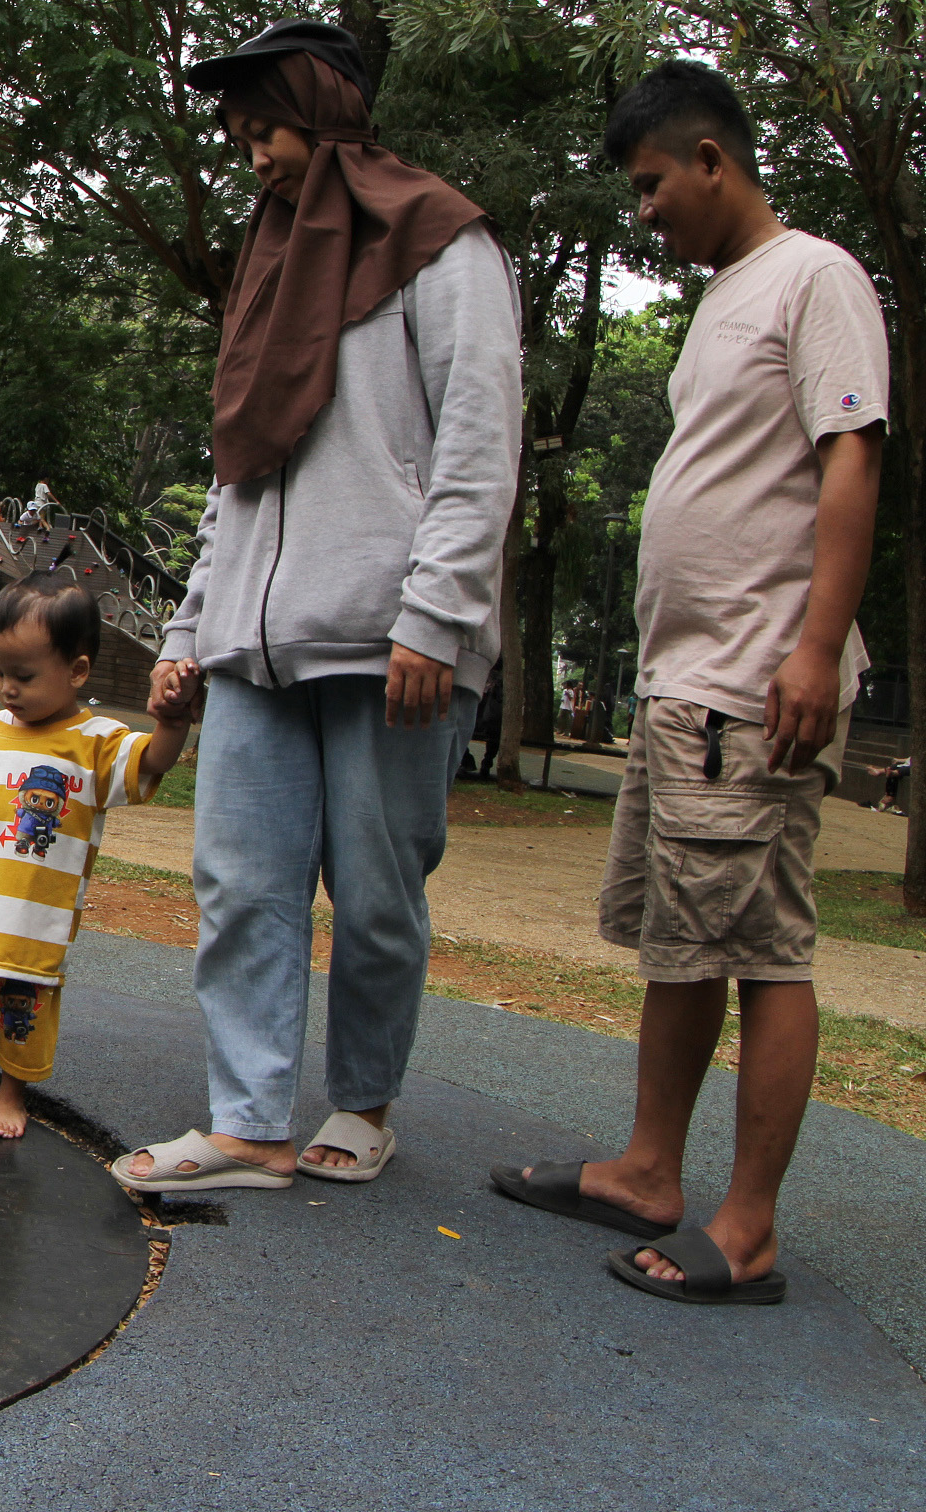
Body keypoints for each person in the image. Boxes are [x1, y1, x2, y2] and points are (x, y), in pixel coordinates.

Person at [494, 61, 887, 1306]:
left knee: (763, 947)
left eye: (654, 183)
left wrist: (814, 648)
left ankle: (749, 1229)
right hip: (688, 683)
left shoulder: (817, 276)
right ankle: (647, 1169)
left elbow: (852, 457)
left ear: (713, 160)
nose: (647, 209)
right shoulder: (727, 294)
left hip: (756, 681)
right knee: (682, 942)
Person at [115, 22, 519, 1190]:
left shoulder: (442, 239)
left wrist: (435, 616)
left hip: (393, 639)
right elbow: (238, 468)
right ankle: (248, 1124)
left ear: (326, 114)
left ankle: (365, 1101)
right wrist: (191, 630)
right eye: (241, 137)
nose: (255, 157)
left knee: (378, 896)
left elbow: (479, 439)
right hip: (254, 639)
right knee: (241, 884)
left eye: (269, 130)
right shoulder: (269, 262)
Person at [0, 577, 192, 1138]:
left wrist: (173, 721)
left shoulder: (97, 742)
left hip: (35, 916)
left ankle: (11, 1094)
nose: (7, 689)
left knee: (24, 1004)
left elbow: (152, 762)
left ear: (77, 671)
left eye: (24, 675)